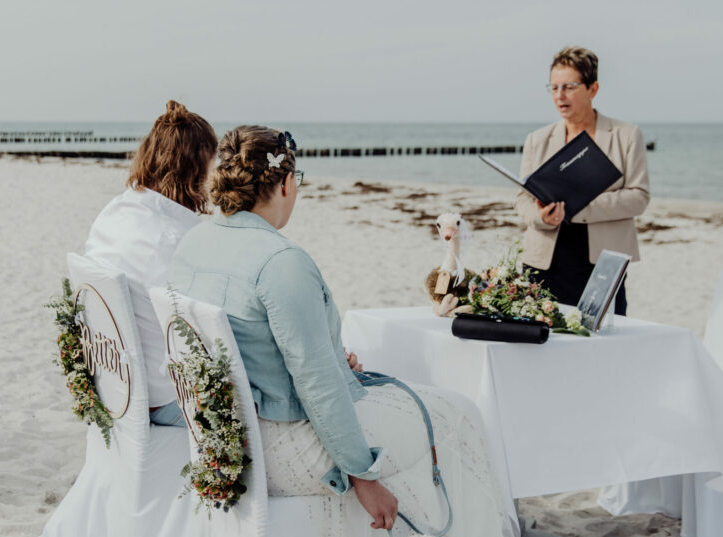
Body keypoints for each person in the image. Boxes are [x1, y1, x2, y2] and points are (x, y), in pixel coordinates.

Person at [169, 126, 516, 536]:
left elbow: (249, 347)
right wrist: (364, 477)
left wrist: (331, 355)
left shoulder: (193, 241)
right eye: (296, 181)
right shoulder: (281, 261)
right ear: (284, 183)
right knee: (461, 417)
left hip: (226, 437)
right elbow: (317, 385)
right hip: (280, 447)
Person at [82, 100, 217, 427]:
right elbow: (207, 334)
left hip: (114, 382)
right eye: (213, 162)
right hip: (164, 398)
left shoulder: (116, 211)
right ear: (196, 169)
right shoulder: (173, 240)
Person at [514, 46, 650, 314]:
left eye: (569, 87)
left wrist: (577, 207)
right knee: (544, 346)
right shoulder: (537, 139)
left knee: (603, 347)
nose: (559, 96)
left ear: (593, 89)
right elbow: (522, 199)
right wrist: (542, 215)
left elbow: (638, 197)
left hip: (602, 264)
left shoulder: (626, 135)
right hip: (543, 262)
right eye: (553, 88)